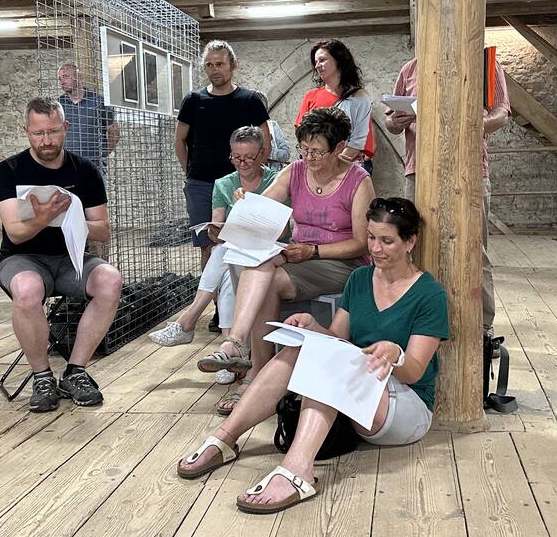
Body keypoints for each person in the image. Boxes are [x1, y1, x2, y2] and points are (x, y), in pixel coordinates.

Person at [175, 197, 448, 514]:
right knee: (298, 349)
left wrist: (396, 354)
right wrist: (313, 327)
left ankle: (298, 470)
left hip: (405, 406)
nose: (375, 248)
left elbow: (415, 371)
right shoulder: (360, 279)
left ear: (410, 241)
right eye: (371, 238)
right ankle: (225, 439)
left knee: (333, 364)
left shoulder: (429, 294)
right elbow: (337, 339)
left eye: (387, 241)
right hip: (358, 391)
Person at [197, 107, 373, 415]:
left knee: (261, 272)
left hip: (342, 262)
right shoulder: (295, 171)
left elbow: (361, 243)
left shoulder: (358, 180)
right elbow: (262, 204)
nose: (309, 158)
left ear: (340, 147)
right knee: (259, 265)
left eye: (317, 152)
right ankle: (239, 347)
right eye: (303, 149)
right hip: (299, 257)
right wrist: (243, 205)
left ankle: (253, 372)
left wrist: (313, 251)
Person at [0, 98, 124, 413]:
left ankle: (75, 370)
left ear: (65, 128)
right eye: (38, 133)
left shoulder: (86, 171)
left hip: (71, 257)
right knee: (27, 289)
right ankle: (42, 376)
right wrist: (44, 217)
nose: (46, 140)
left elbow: (103, 231)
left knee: (110, 279)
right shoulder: (8, 171)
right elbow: (16, 233)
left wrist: (70, 218)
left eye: (52, 131)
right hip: (22, 258)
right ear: (26, 131)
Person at [385, 54, 510, 344]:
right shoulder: (411, 68)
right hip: (419, 169)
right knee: (416, 243)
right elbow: (391, 121)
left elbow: (502, 113)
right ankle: (420, 316)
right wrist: (396, 120)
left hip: (468, 168)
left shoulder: (485, 62)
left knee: (473, 245)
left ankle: (482, 327)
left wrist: (472, 124)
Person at [149, 126, 278, 368]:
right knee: (224, 258)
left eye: (248, 157)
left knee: (223, 254)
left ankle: (190, 320)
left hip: (269, 248)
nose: (241, 163)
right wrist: (215, 230)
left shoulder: (275, 181)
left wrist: (250, 206)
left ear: (262, 153)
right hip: (236, 248)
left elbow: (280, 225)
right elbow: (216, 227)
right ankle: (229, 349)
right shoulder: (224, 184)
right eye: (236, 157)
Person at [175, 40, 270, 268]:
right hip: (201, 184)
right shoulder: (194, 100)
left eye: (219, 64)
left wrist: (252, 177)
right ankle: (212, 291)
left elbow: (265, 143)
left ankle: (242, 289)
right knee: (208, 245)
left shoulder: (250, 100)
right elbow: (179, 140)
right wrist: (189, 172)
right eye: (209, 65)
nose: (214, 69)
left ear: (233, 65)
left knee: (241, 242)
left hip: (238, 183)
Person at [296, 40, 375, 173]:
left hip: (345, 168)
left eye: (322, 60)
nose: (317, 66)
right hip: (314, 167)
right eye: (315, 62)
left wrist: (332, 166)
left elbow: (357, 141)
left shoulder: (360, 98)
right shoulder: (310, 96)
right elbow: (302, 136)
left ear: (339, 60)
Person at [57, 62, 119, 178]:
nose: (62, 81)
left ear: (78, 76)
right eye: (60, 78)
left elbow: (114, 131)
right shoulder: (59, 105)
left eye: (66, 76)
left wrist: (103, 154)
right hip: (68, 167)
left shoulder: (98, 101)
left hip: (94, 167)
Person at [254, 90, 292, 172]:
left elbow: (286, 153)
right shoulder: (243, 129)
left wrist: (269, 151)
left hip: (273, 172)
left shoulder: (272, 125)